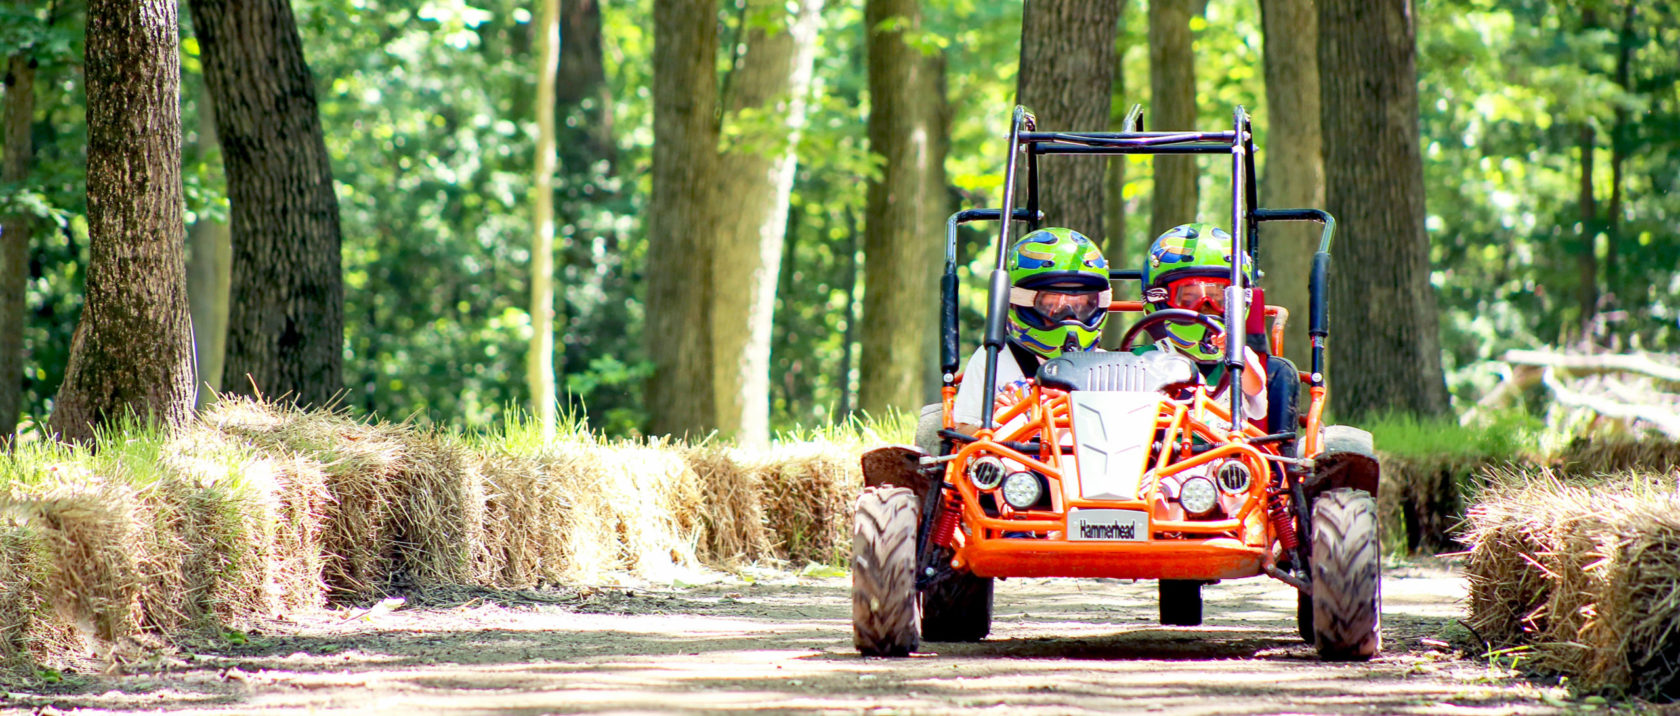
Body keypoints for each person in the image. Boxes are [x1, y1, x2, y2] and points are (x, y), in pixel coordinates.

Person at [1139, 222, 1300, 439]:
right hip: (1162, 462)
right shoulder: (1143, 360)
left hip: (1224, 462)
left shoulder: (1241, 358)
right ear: (1160, 299)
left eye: (1218, 300)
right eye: (1188, 299)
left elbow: (1255, 392)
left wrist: (1236, 357)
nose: (1206, 311)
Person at [950, 227, 1111, 435]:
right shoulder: (994, 358)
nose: (1069, 316)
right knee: (1010, 422)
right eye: (1052, 304)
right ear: (1022, 302)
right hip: (1020, 463)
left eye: (1081, 304)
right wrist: (1003, 419)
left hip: (1093, 462)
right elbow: (963, 432)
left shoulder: (1107, 367)